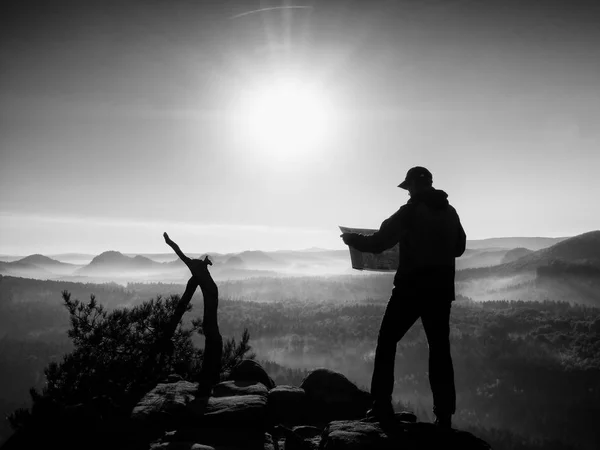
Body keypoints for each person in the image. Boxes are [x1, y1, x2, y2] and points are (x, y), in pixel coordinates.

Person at [340, 166, 466, 428]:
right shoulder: (450, 212)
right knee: (440, 350)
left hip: (411, 288)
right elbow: (459, 248)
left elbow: (379, 242)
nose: (407, 192)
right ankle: (444, 416)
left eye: (408, 187)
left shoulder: (409, 211)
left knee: (387, 341)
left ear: (413, 186)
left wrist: (352, 239)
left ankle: (381, 405)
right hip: (441, 290)